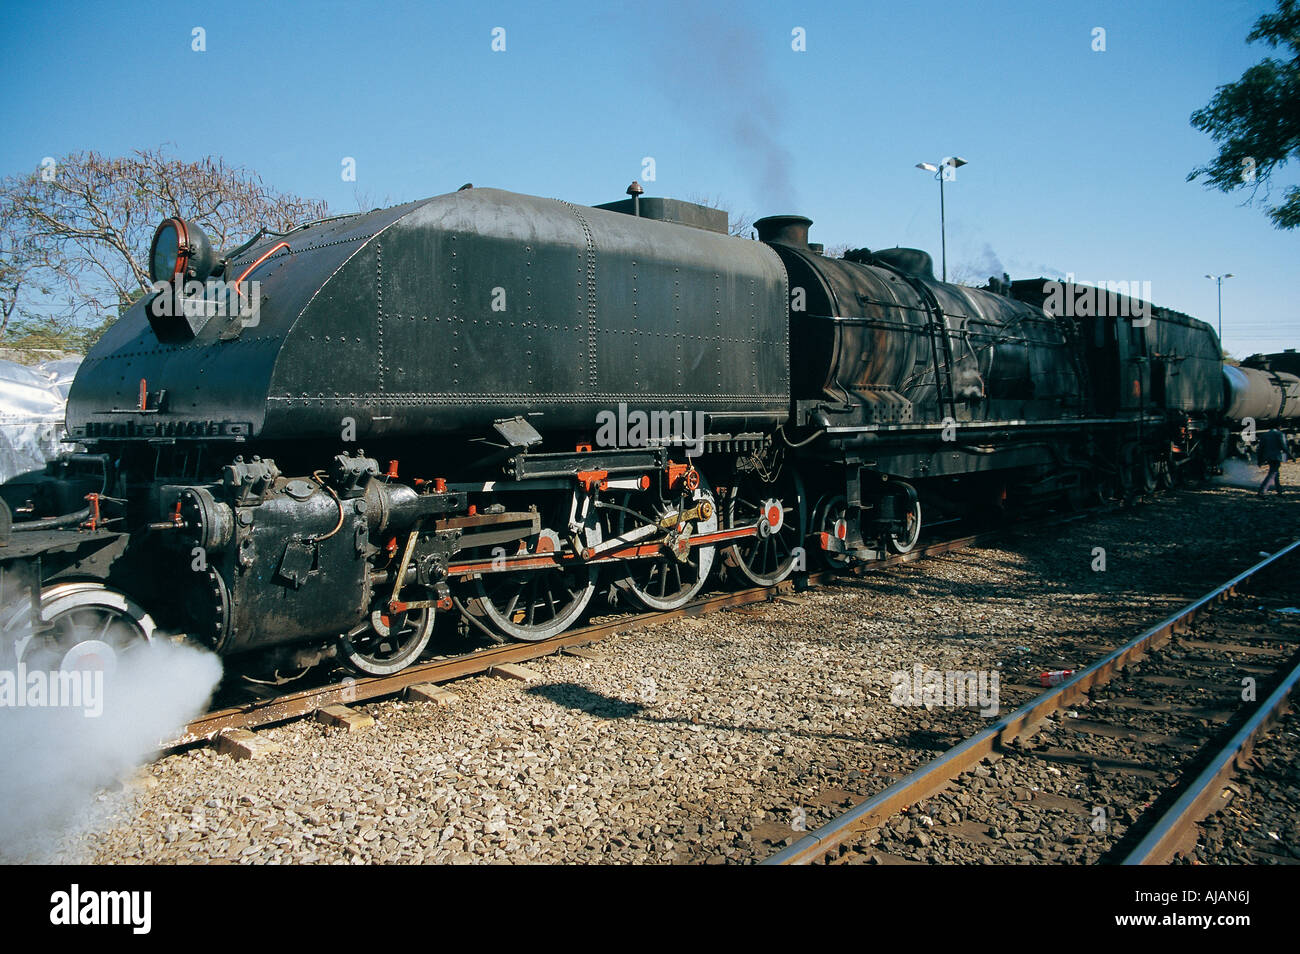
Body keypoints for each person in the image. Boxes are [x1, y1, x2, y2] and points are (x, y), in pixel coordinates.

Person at [1257, 428, 1287, 495]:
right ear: (1279, 427)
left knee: (1276, 473)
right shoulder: (1279, 434)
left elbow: (1260, 448)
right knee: (1272, 474)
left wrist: (1259, 460)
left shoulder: (1264, 435)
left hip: (1268, 457)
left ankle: (1279, 491)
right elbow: (1283, 446)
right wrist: (1291, 456)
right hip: (1276, 457)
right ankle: (1262, 491)